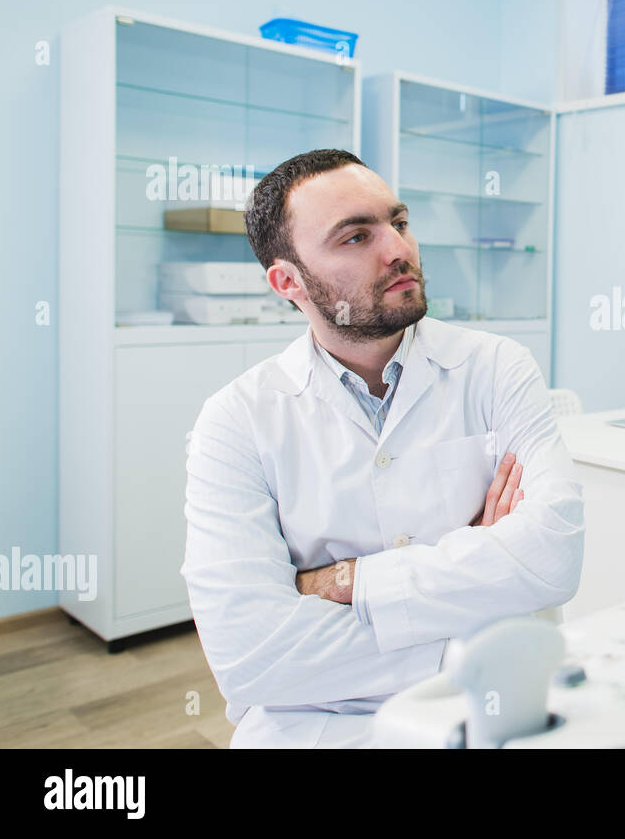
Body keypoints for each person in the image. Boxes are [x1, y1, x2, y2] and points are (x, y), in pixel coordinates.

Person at [180, 149, 584, 748]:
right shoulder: (235, 420)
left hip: (486, 712)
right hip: (312, 728)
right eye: (354, 237)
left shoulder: (498, 369)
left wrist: (342, 582)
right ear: (287, 281)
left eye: (398, 223)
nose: (398, 250)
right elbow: (251, 654)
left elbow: (552, 557)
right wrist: (475, 594)